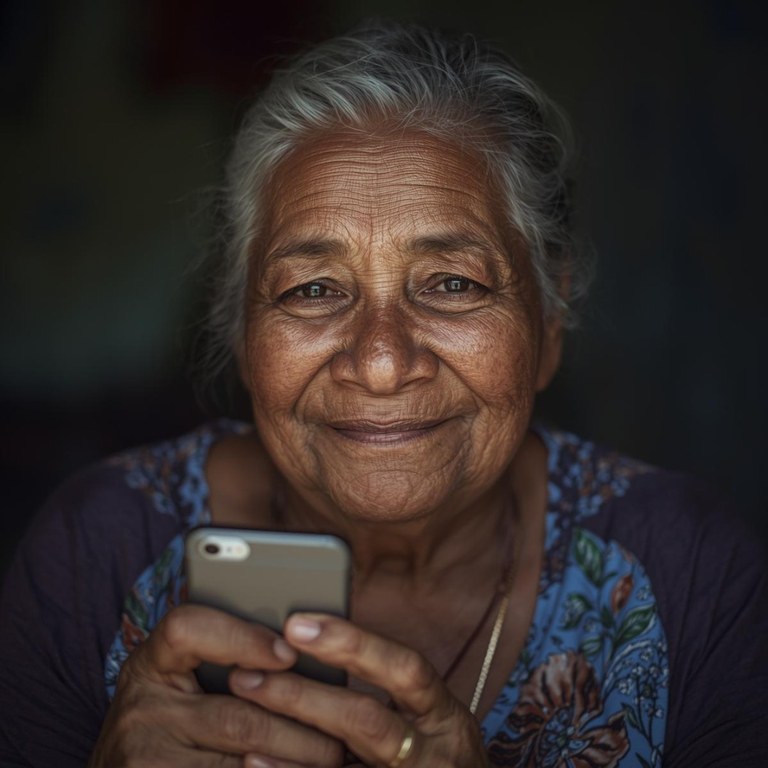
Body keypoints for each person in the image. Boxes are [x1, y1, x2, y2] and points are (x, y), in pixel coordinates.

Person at [1, 21, 766, 768]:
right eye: (313, 289)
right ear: (241, 332)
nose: (379, 363)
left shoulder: (692, 573)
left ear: (548, 320)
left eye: (453, 283)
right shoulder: (92, 555)